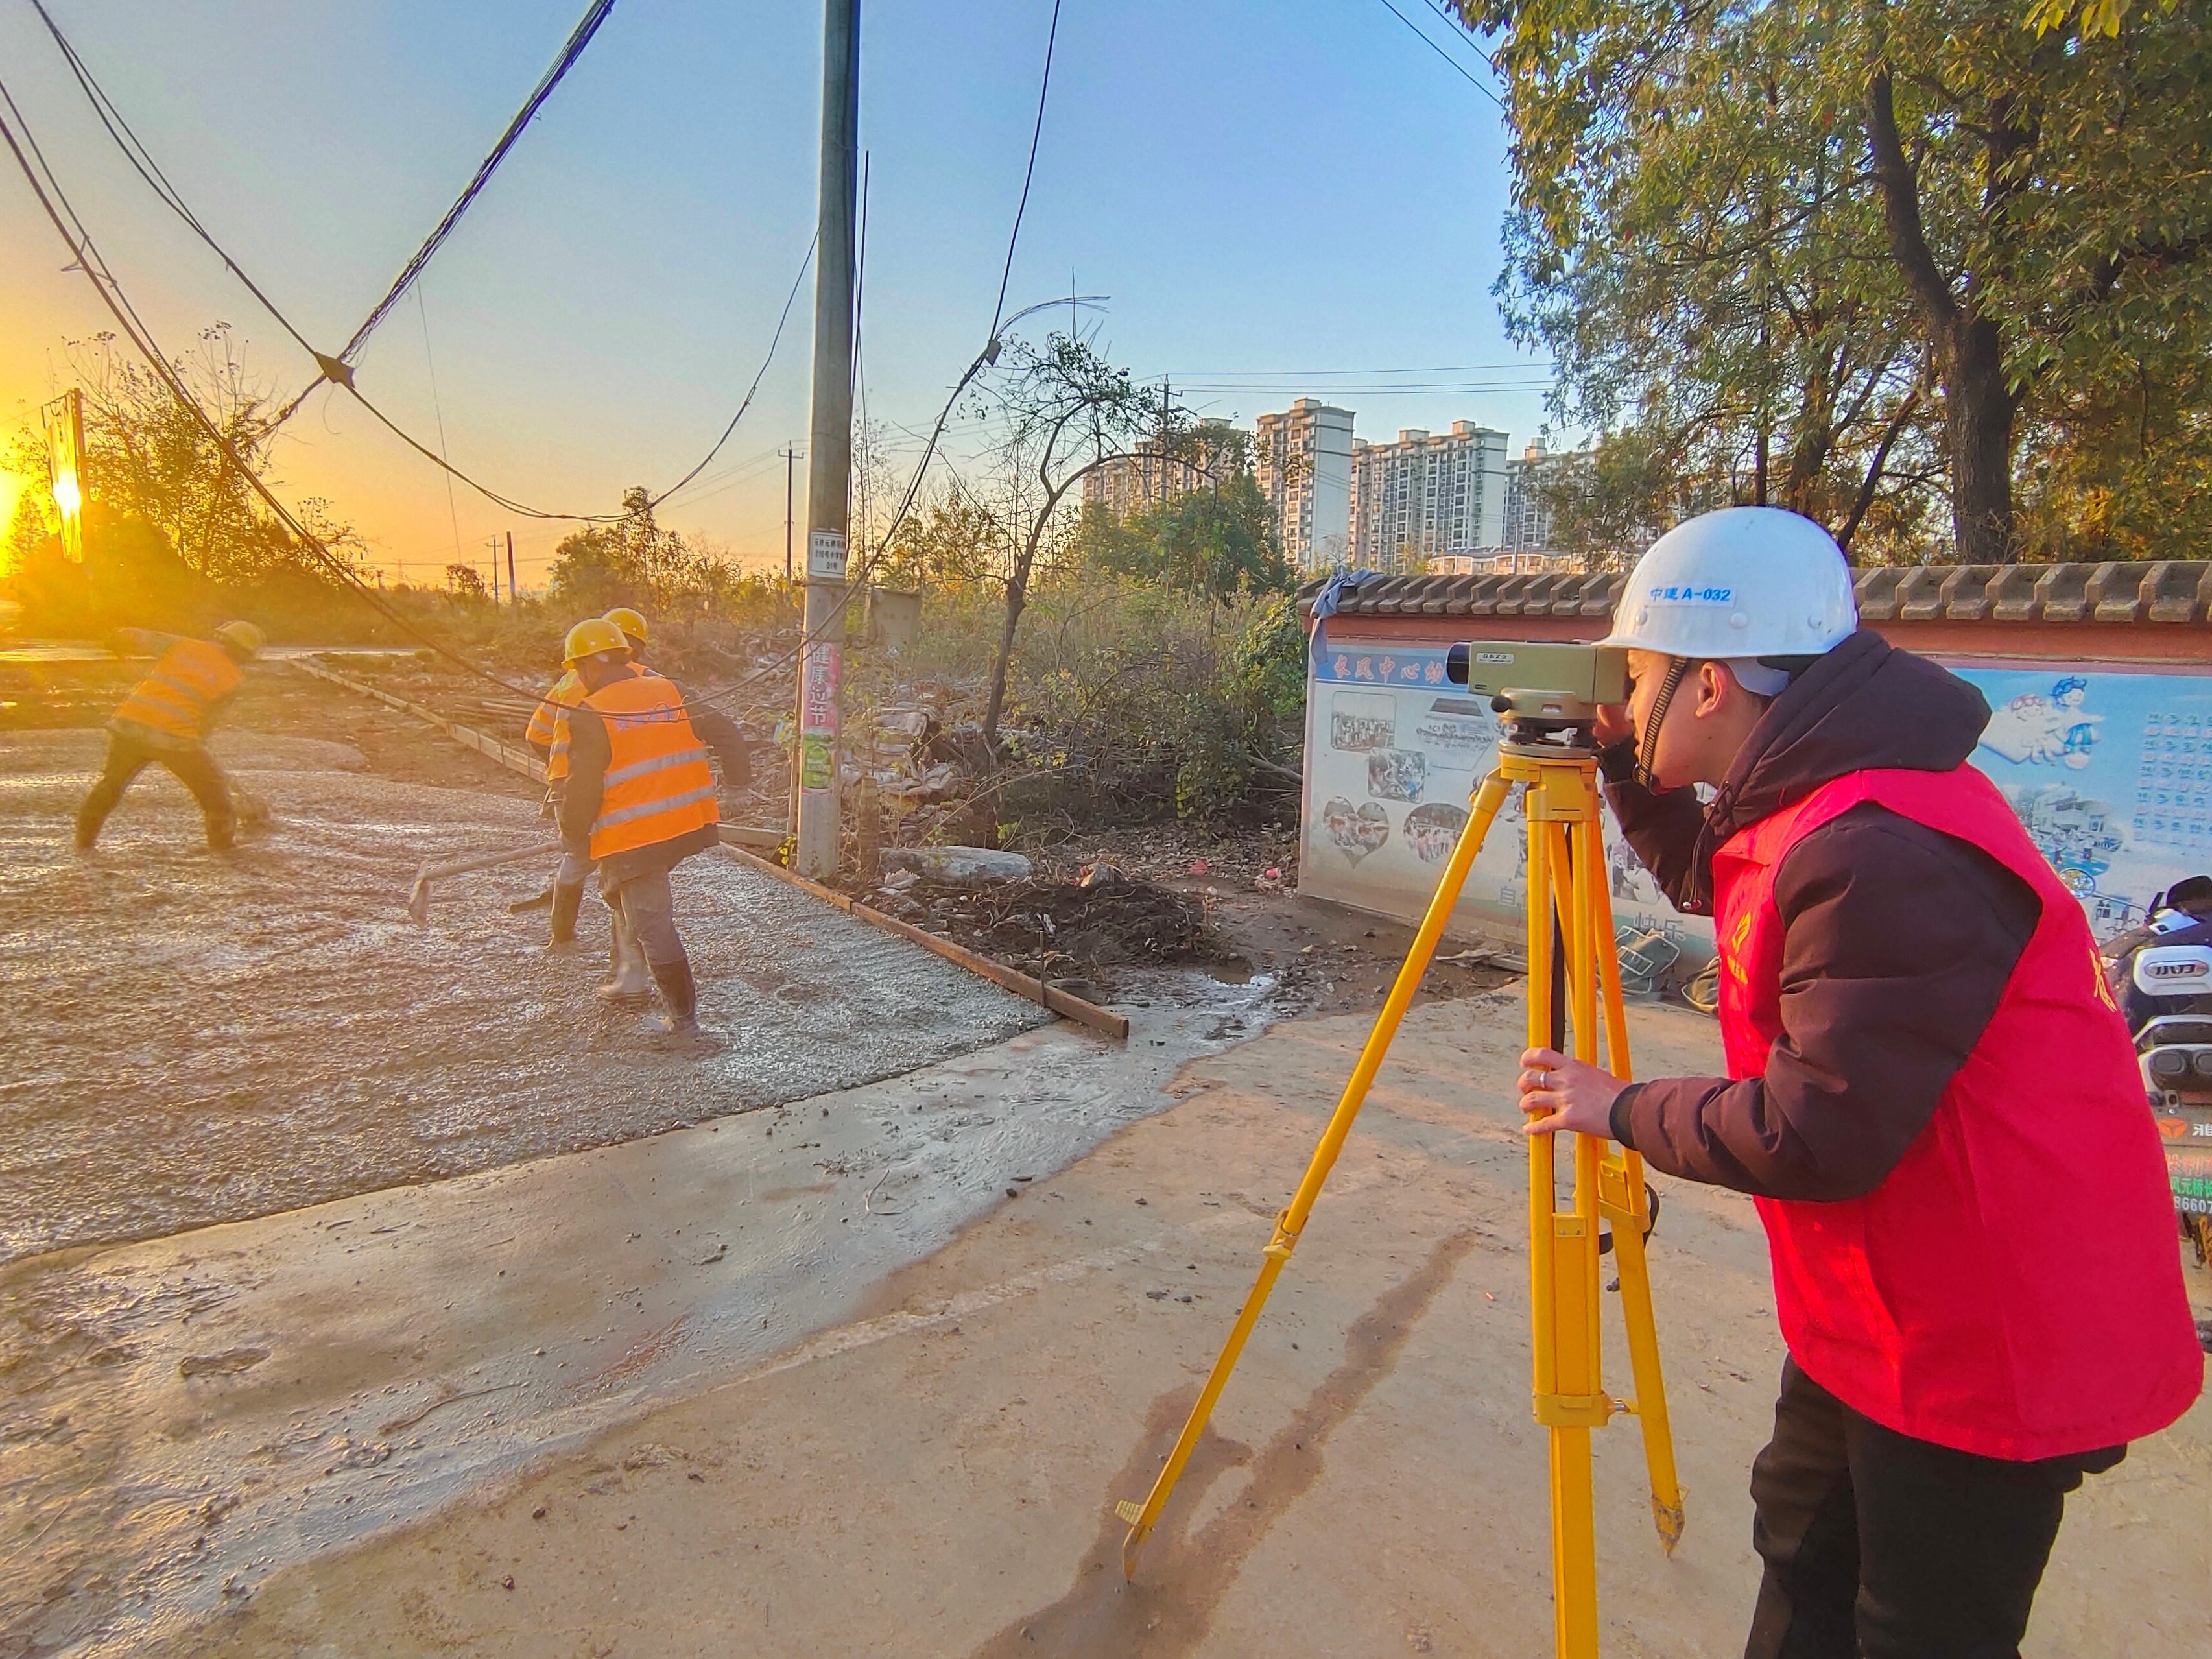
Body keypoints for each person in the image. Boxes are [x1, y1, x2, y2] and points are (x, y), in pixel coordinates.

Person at [1514, 507, 2202, 1659]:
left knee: (1919, 1624)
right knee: (1804, 1547)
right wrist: (1629, 776)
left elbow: (1815, 1127)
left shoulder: (1880, 837)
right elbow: (1720, 875)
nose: (1623, 703)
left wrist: (1617, 1106)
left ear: (1712, 686)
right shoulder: (1813, 796)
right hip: (1881, 1290)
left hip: (1988, 1321)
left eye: (1638, 678)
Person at [557, 617, 748, 1033]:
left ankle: (683, 1021)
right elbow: (728, 732)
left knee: (650, 919)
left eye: (577, 670)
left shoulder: (589, 713)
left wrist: (573, 834)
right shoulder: (670, 689)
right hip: (683, 825)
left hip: (637, 837)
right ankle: (630, 977)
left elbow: (583, 789)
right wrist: (738, 786)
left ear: (587, 667)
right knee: (621, 894)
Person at [76, 620, 265, 852]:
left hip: (130, 725)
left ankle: (83, 846)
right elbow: (206, 724)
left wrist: (115, 639)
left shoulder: (182, 645)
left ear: (221, 637)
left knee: (110, 786)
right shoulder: (233, 680)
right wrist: (197, 744)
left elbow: (130, 636)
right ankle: (224, 853)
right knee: (215, 796)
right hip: (174, 739)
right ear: (245, 653)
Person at [523, 615, 648, 952]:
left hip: (566, 786)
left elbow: (536, 734)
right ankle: (626, 952)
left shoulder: (566, 682)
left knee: (577, 858)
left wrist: (559, 769)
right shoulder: (631, 682)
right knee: (614, 858)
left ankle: (562, 937)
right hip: (603, 782)